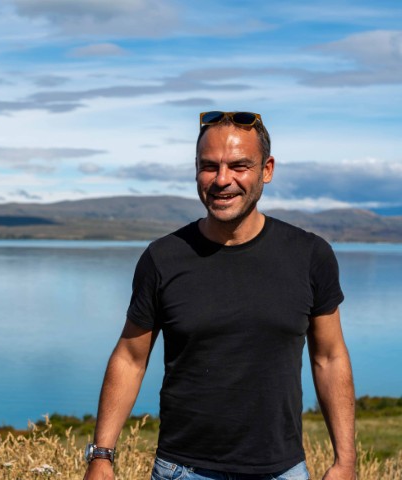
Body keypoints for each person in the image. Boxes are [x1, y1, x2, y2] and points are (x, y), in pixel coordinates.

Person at [83, 112, 356, 480]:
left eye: (239, 166)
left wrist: (345, 461)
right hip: (182, 470)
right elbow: (130, 359)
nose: (222, 180)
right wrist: (101, 456)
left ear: (267, 170)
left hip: (281, 470)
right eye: (209, 166)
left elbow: (330, 357)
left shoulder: (309, 255)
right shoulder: (163, 258)